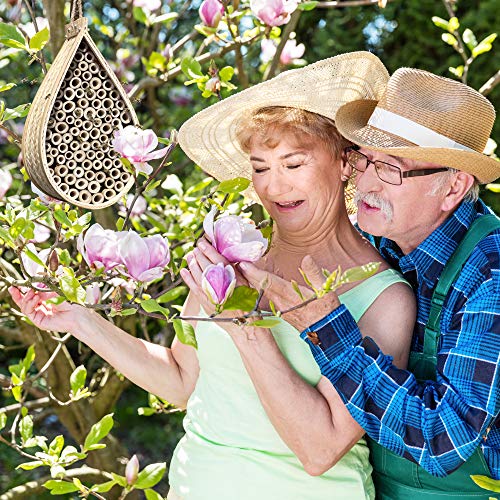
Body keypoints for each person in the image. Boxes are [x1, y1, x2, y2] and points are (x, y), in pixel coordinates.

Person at [10, 53, 415, 500]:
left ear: (344, 163)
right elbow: (184, 379)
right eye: (260, 167)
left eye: (293, 164)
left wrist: (245, 328)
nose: (273, 187)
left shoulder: (384, 298)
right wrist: (80, 320)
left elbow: (320, 449)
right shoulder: (232, 258)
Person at [235, 68, 500, 499]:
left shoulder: (491, 276)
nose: (367, 183)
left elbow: (443, 440)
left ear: (454, 186)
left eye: (392, 170)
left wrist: (328, 330)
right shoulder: (378, 240)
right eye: (365, 160)